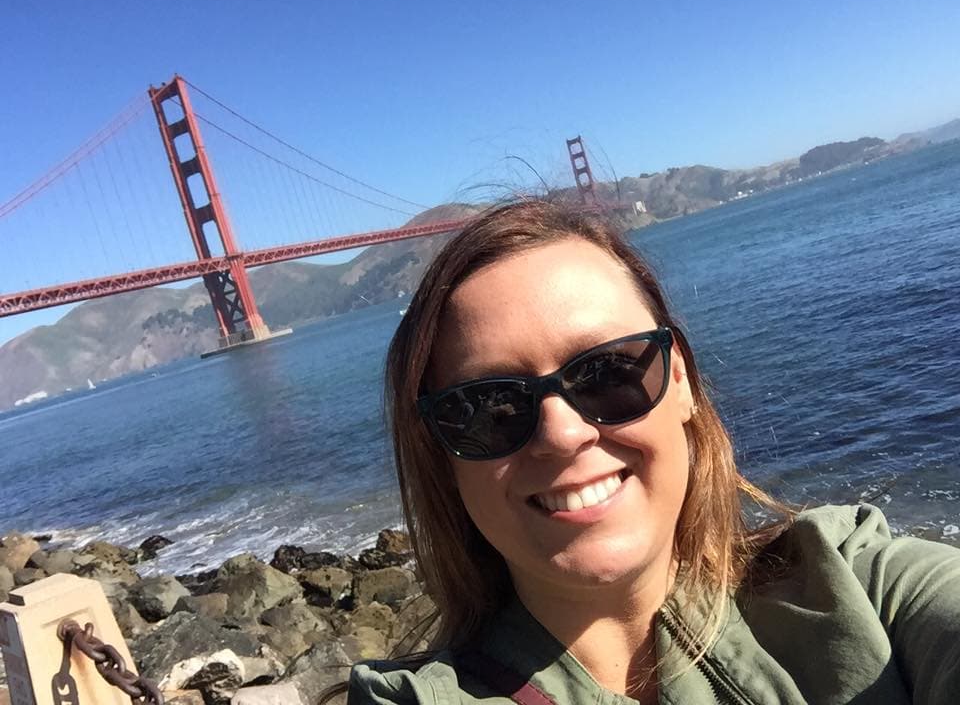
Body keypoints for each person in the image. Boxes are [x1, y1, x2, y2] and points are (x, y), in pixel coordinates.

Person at [345, 199, 960, 704]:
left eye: (608, 372)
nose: (562, 434)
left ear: (682, 381)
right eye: (488, 408)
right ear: (441, 456)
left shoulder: (859, 588)